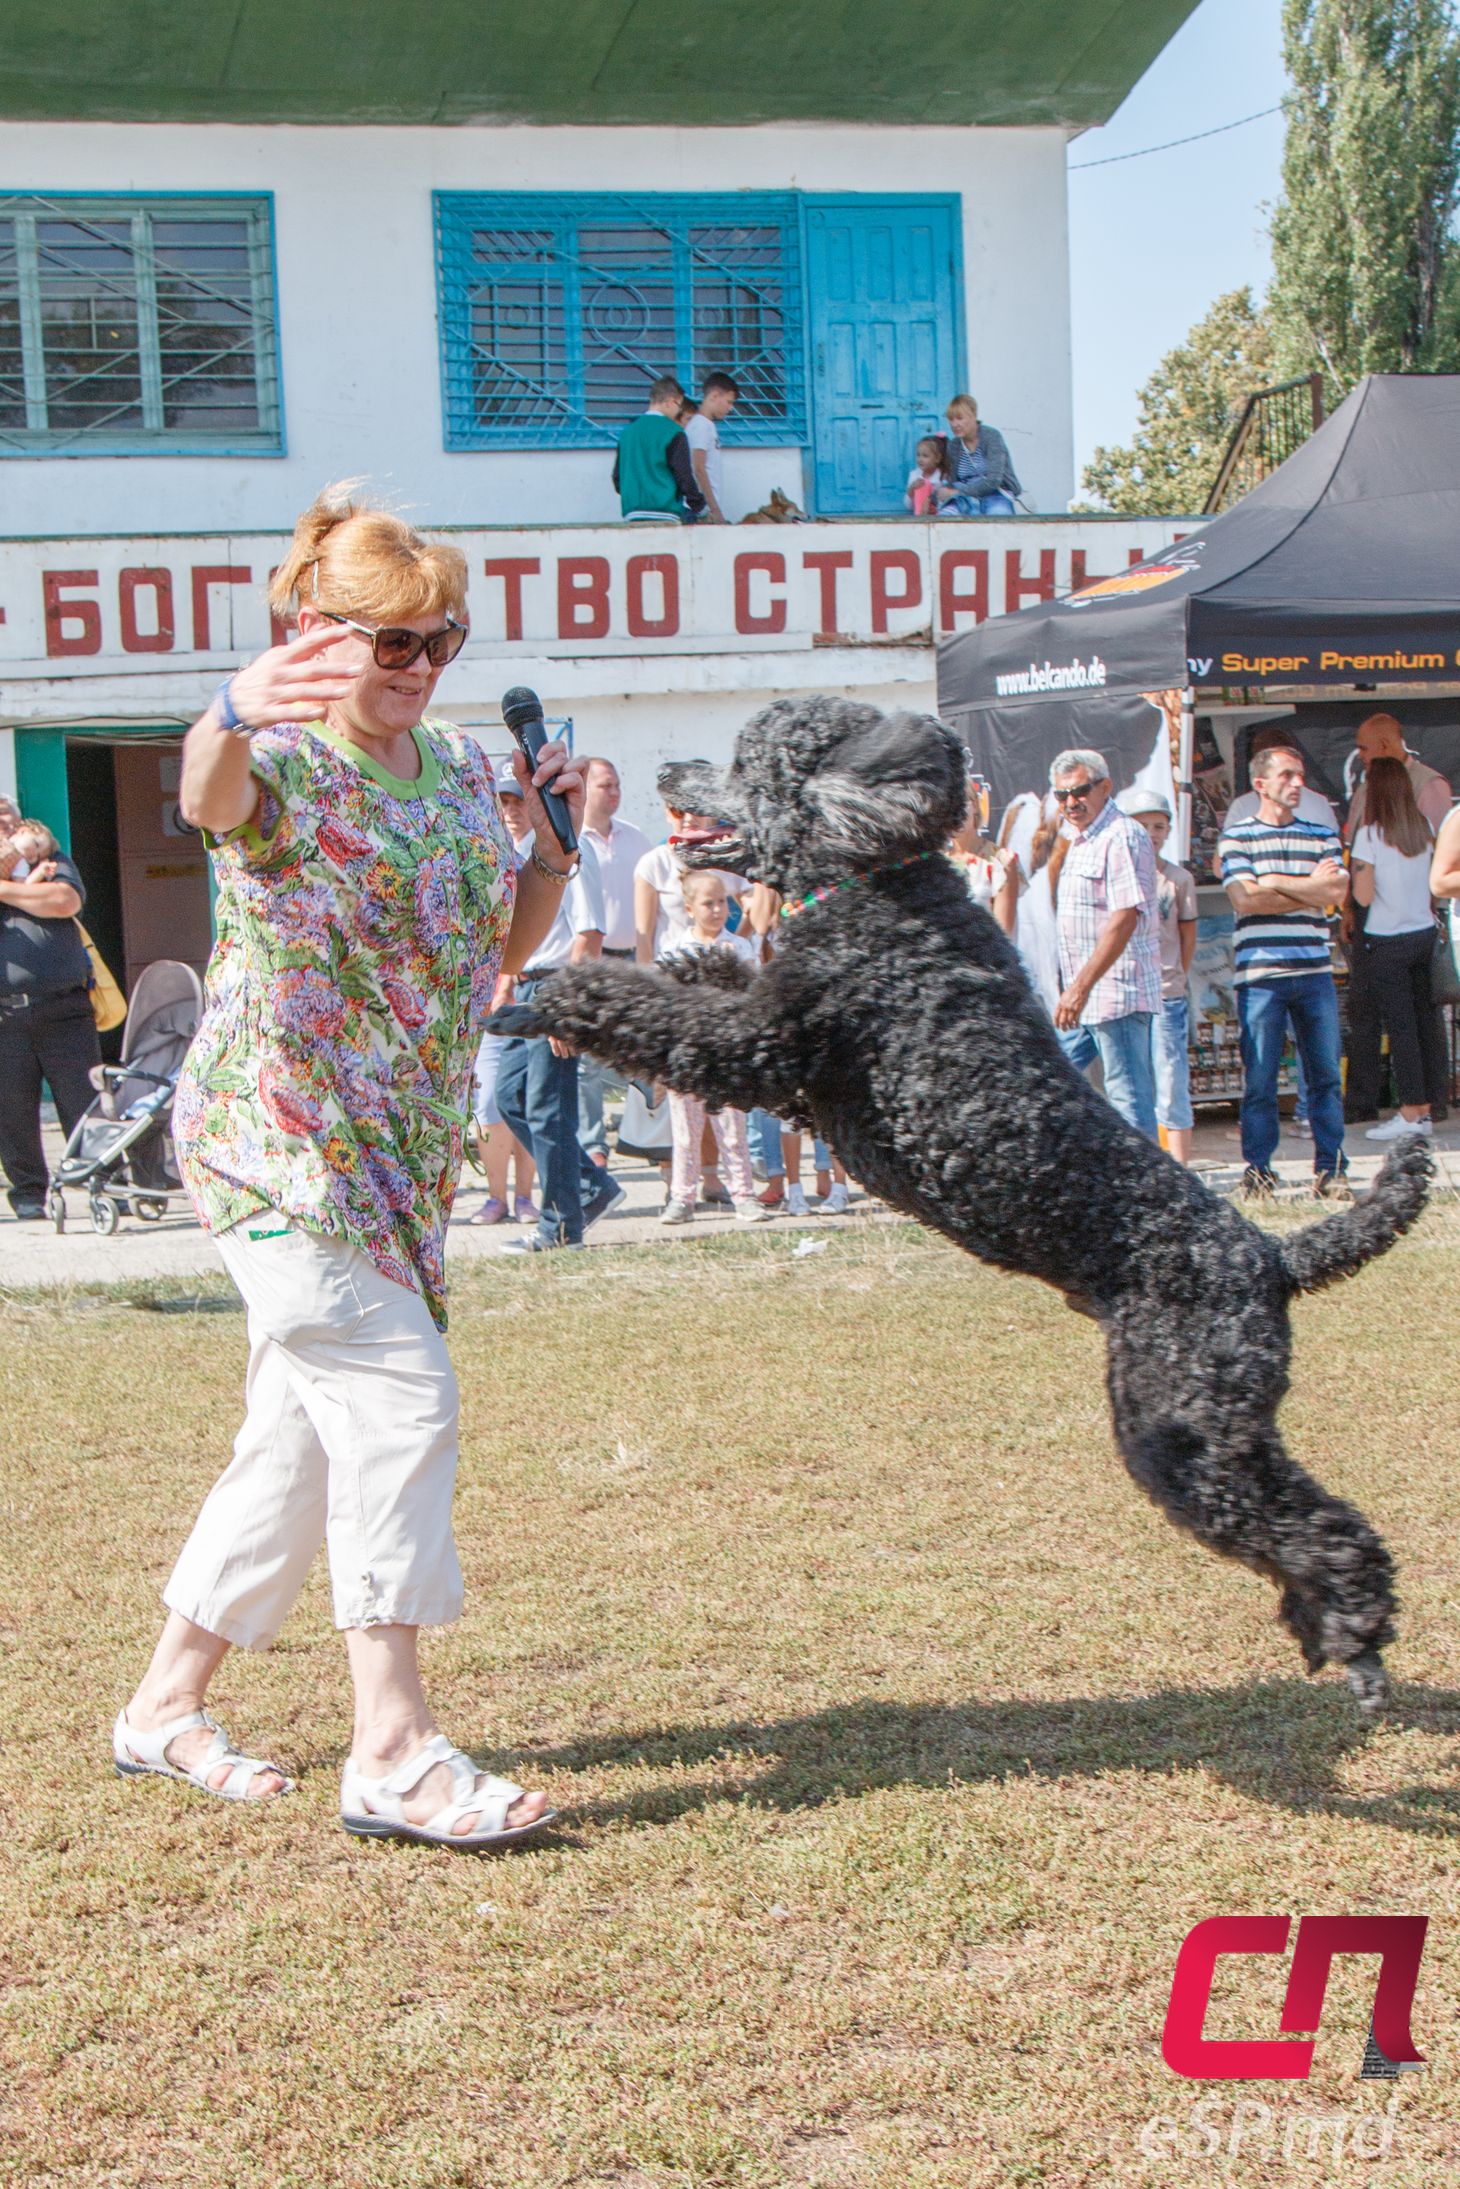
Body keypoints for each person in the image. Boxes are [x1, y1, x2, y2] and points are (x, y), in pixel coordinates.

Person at [116, 484, 586, 1850]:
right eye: (393, 644)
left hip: (393, 1148)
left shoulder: (444, 767)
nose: (422, 667)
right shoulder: (285, 762)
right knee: (394, 1392)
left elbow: (500, 940)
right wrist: (232, 708)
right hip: (278, 1148)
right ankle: (392, 1747)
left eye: (440, 642)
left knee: (299, 1444)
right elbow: (209, 803)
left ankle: (162, 1705)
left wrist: (546, 844)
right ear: (310, 632)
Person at [1219, 742, 1349, 1198]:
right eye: (1287, 776)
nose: (1298, 784)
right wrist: (1308, 889)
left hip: (1314, 970)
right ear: (1260, 784)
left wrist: (1273, 881)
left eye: (1300, 775)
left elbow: (1336, 891)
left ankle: (1331, 1171)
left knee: (1326, 1077)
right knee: (1259, 1080)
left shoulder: (1321, 832)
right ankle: (1258, 1171)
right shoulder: (1237, 836)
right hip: (1260, 976)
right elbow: (1244, 899)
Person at [495, 839, 628, 1256]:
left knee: (547, 1109)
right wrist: (506, 982)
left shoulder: (573, 848)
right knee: (510, 1096)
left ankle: (561, 1228)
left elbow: (589, 934)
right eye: (506, 800)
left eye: (519, 798)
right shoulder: (515, 846)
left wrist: (566, 1006)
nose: (511, 808)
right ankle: (590, 1185)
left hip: (555, 985)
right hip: (526, 984)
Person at [1341, 712, 1452, 1123]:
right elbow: (1353, 844)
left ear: (1385, 747)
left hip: (1406, 922)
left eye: (1366, 749)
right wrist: (1351, 910)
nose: (1362, 757)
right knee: (1365, 1011)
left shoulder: (1429, 786)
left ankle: (1425, 1102)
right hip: (1382, 922)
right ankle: (1364, 1100)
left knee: (1417, 1018)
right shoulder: (1368, 791)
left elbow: (1446, 858)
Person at [1050, 748, 1162, 1140]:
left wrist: (1078, 988)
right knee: (1050, 1079)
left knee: (1129, 1100)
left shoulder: (1121, 835)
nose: (1070, 803)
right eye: (1061, 795)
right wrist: (1075, 990)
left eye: (1079, 791)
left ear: (1105, 787)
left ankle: (1150, 1197)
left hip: (1116, 993)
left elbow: (1124, 918)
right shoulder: (1080, 838)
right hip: (1084, 997)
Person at [0, 807, 100, 1220]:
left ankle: (101, 1182)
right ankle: (27, 1193)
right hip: (6, 1017)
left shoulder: (53, 863)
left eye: (11, 821)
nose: (6, 828)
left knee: (85, 1103)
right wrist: (26, 891)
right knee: (12, 1110)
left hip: (65, 1009)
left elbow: (63, 902)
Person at [658, 871, 771, 1226]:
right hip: (689, 1053)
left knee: (733, 1129)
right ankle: (682, 1197)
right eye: (708, 903)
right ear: (689, 908)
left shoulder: (739, 947)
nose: (718, 910)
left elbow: (750, 996)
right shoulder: (677, 949)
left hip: (725, 1053)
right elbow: (668, 1001)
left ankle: (744, 1196)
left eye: (722, 902)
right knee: (686, 1133)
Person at [1116, 787, 1198, 1164]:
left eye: (1159, 825)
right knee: (1132, 1082)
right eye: (1143, 825)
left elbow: (1187, 934)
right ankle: (1140, 1162)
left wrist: (1176, 974)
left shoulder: (1178, 879)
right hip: (1125, 991)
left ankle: (1180, 1164)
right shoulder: (1115, 875)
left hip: (1167, 991)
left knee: (1171, 1079)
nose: (1152, 832)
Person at [577, 756, 650, 1164]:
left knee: (636, 1052)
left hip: (631, 961)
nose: (615, 792)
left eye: (618, 784)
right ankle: (593, 1143)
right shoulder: (572, 840)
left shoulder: (636, 840)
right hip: (592, 961)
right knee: (588, 1062)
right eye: (606, 785)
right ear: (585, 790)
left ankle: (643, 1136)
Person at [612, 376, 705, 522]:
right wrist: (698, 503)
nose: (678, 411)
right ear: (669, 401)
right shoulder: (674, 432)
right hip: (666, 511)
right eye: (679, 405)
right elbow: (683, 474)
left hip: (632, 512)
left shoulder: (627, 433)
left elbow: (617, 478)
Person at [948, 779, 1018, 935]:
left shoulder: (1002, 861)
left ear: (974, 805)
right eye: (948, 808)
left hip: (987, 956)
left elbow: (1003, 936)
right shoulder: (937, 865)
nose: (955, 815)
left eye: (961, 804)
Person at [935, 394, 1021, 517]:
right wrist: (935, 496)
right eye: (951, 419)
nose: (954, 424)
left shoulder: (991, 436)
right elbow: (953, 480)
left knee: (998, 518)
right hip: (964, 497)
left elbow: (994, 480)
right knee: (944, 518)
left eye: (959, 418)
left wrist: (957, 491)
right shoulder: (954, 445)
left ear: (974, 415)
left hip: (996, 493)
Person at [683, 371, 738, 525]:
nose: (730, 408)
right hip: (701, 511)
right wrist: (714, 509)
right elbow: (699, 468)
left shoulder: (704, 425)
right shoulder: (701, 426)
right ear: (714, 396)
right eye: (728, 402)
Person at [905, 434, 951, 517]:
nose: (920, 459)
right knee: (922, 487)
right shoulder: (914, 475)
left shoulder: (942, 476)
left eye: (925, 456)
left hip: (938, 516)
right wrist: (911, 489)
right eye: (918, 455)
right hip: (919, 515)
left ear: (937, 458)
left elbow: (945, 499)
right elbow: (908, 506)